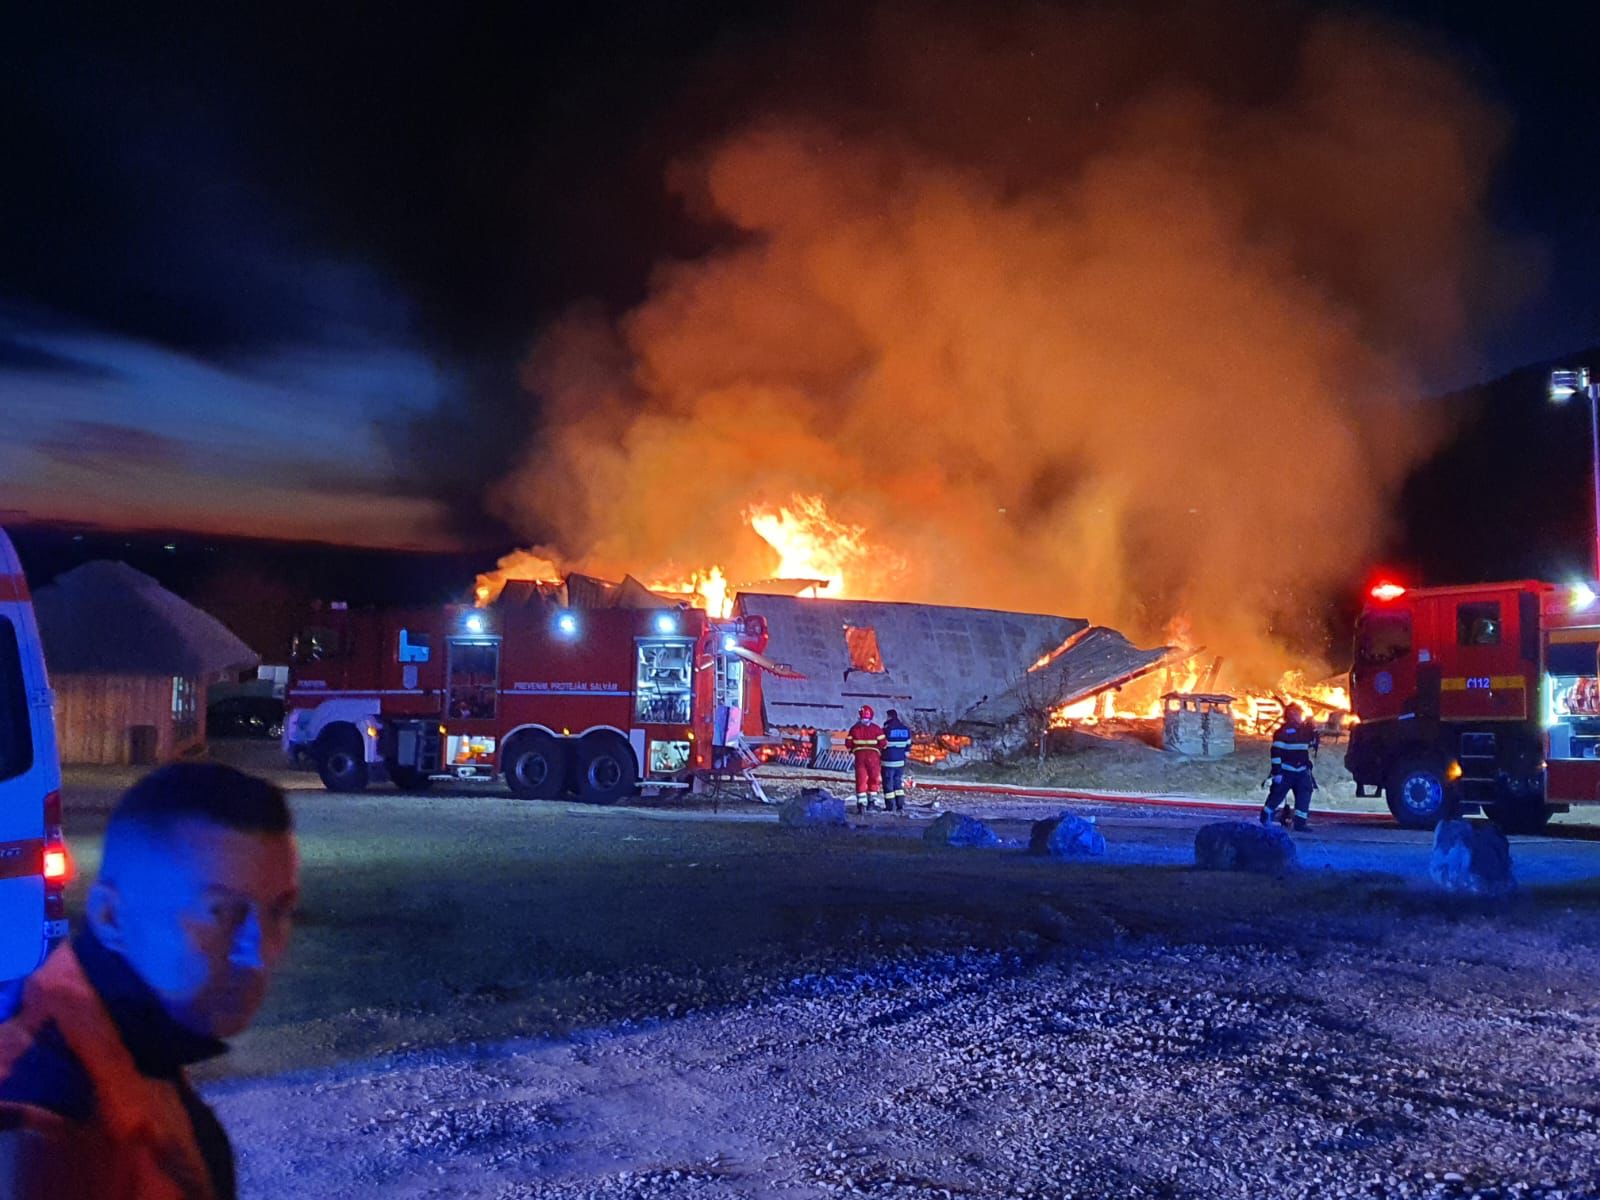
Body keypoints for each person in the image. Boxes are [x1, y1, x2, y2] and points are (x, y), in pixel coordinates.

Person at [0, 762, 299, 1199]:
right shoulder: (46, 1121)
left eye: (279, 911)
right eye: (222, 912)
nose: (261, 950)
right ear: (110, 916)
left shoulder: (137, 1043)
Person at [1261, 703, 1319, 831]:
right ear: (1292, 715)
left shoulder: (1304, 731)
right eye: (1298, 714)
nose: (1300, 717)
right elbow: (1275, 753)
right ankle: (1265, 817)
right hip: (1286, 771)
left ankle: (1300, 824)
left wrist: (1314, 728)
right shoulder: (1282, 733)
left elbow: (1313, 743)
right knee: (1277, 795)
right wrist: (1277, 773)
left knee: (1304, 795)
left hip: (1302, 771)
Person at [844, 705, 887, 814]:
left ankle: (861, 805)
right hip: (873, 757)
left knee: (861, 779)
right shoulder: (877, 729)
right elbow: (883, 744)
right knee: (874, 779)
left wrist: (853, 750)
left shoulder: (854, 729)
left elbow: (848, 744)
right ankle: (871, 803)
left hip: (859, 757)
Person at [881, 709, 913, 813]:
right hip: (900, 762)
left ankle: (890, 806)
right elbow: (908, 746)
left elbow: (881, 744)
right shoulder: (905, 729)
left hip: (888, 761)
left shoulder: (887, 729)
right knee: (898, 784)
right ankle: (900, 805)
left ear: (889, 716)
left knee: (888, 784)